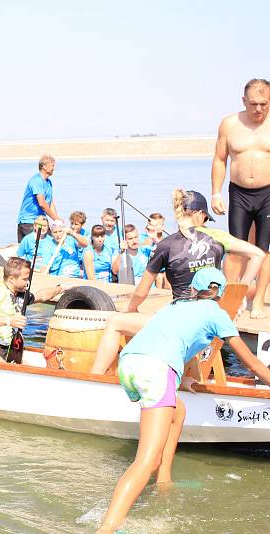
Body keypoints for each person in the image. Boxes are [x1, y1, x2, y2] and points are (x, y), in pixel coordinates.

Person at [90, 268, 270, 533]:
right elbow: (252, 363)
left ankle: (164, 481)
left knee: (178, 410)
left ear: (193, 289)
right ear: (219, 293)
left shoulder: (175, 306)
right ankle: (107, 528)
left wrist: (180, 379)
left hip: (130, 363)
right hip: (155, 371)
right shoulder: (216, 313)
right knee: (145, 461)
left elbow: (171, 340)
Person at [127, 189, 265, 312]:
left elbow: (141, 293)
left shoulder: (165, 245)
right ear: (199, 214)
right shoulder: (218, 237)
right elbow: (258, 254)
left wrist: (131, 309)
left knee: (119, 321)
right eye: (206, 218)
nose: (205, 222)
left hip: (182, 311)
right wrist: (239, 294)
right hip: (213, 311)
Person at [211, 78, 270, 318]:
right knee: (234, 249)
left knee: (264, 250)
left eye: (264, 104)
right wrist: (216, 192)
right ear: (244, 101)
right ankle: (231, 300)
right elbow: (219, 159)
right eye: (253, 104)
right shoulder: (229, 124)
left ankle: (258, 300)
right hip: (239, 192)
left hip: (268, 193)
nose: (258, 109)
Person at [0, 257, 64, 363]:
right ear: (11, 279)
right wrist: (9, 321)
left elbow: (41, 296)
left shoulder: (20, 296)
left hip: (8, 347)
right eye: (24, 279)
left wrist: (61, 288)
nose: (27, 283)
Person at [16, 155, 61, 242]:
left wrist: (57, 221)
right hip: (29, 221)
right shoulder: (36, 180)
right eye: (52, 165)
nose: (54, 168)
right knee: (33, 249)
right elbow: (42, 203)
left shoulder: (48, 182)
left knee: (51, 242)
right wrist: (55, 218)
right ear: (44, 166)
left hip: (42, 221)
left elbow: (50, 203)